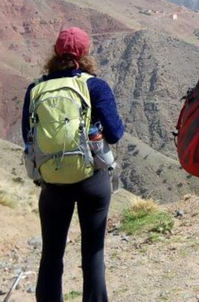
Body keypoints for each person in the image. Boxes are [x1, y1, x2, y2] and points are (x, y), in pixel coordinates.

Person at [22, 27, 125, 302]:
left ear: (55, 52)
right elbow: (115, 133)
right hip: (92, 179)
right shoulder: (94, 85)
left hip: (53, 184)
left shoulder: (35, 89)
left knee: (52, 254)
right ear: (85, 54)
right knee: (93, 252)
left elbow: (28, 138)